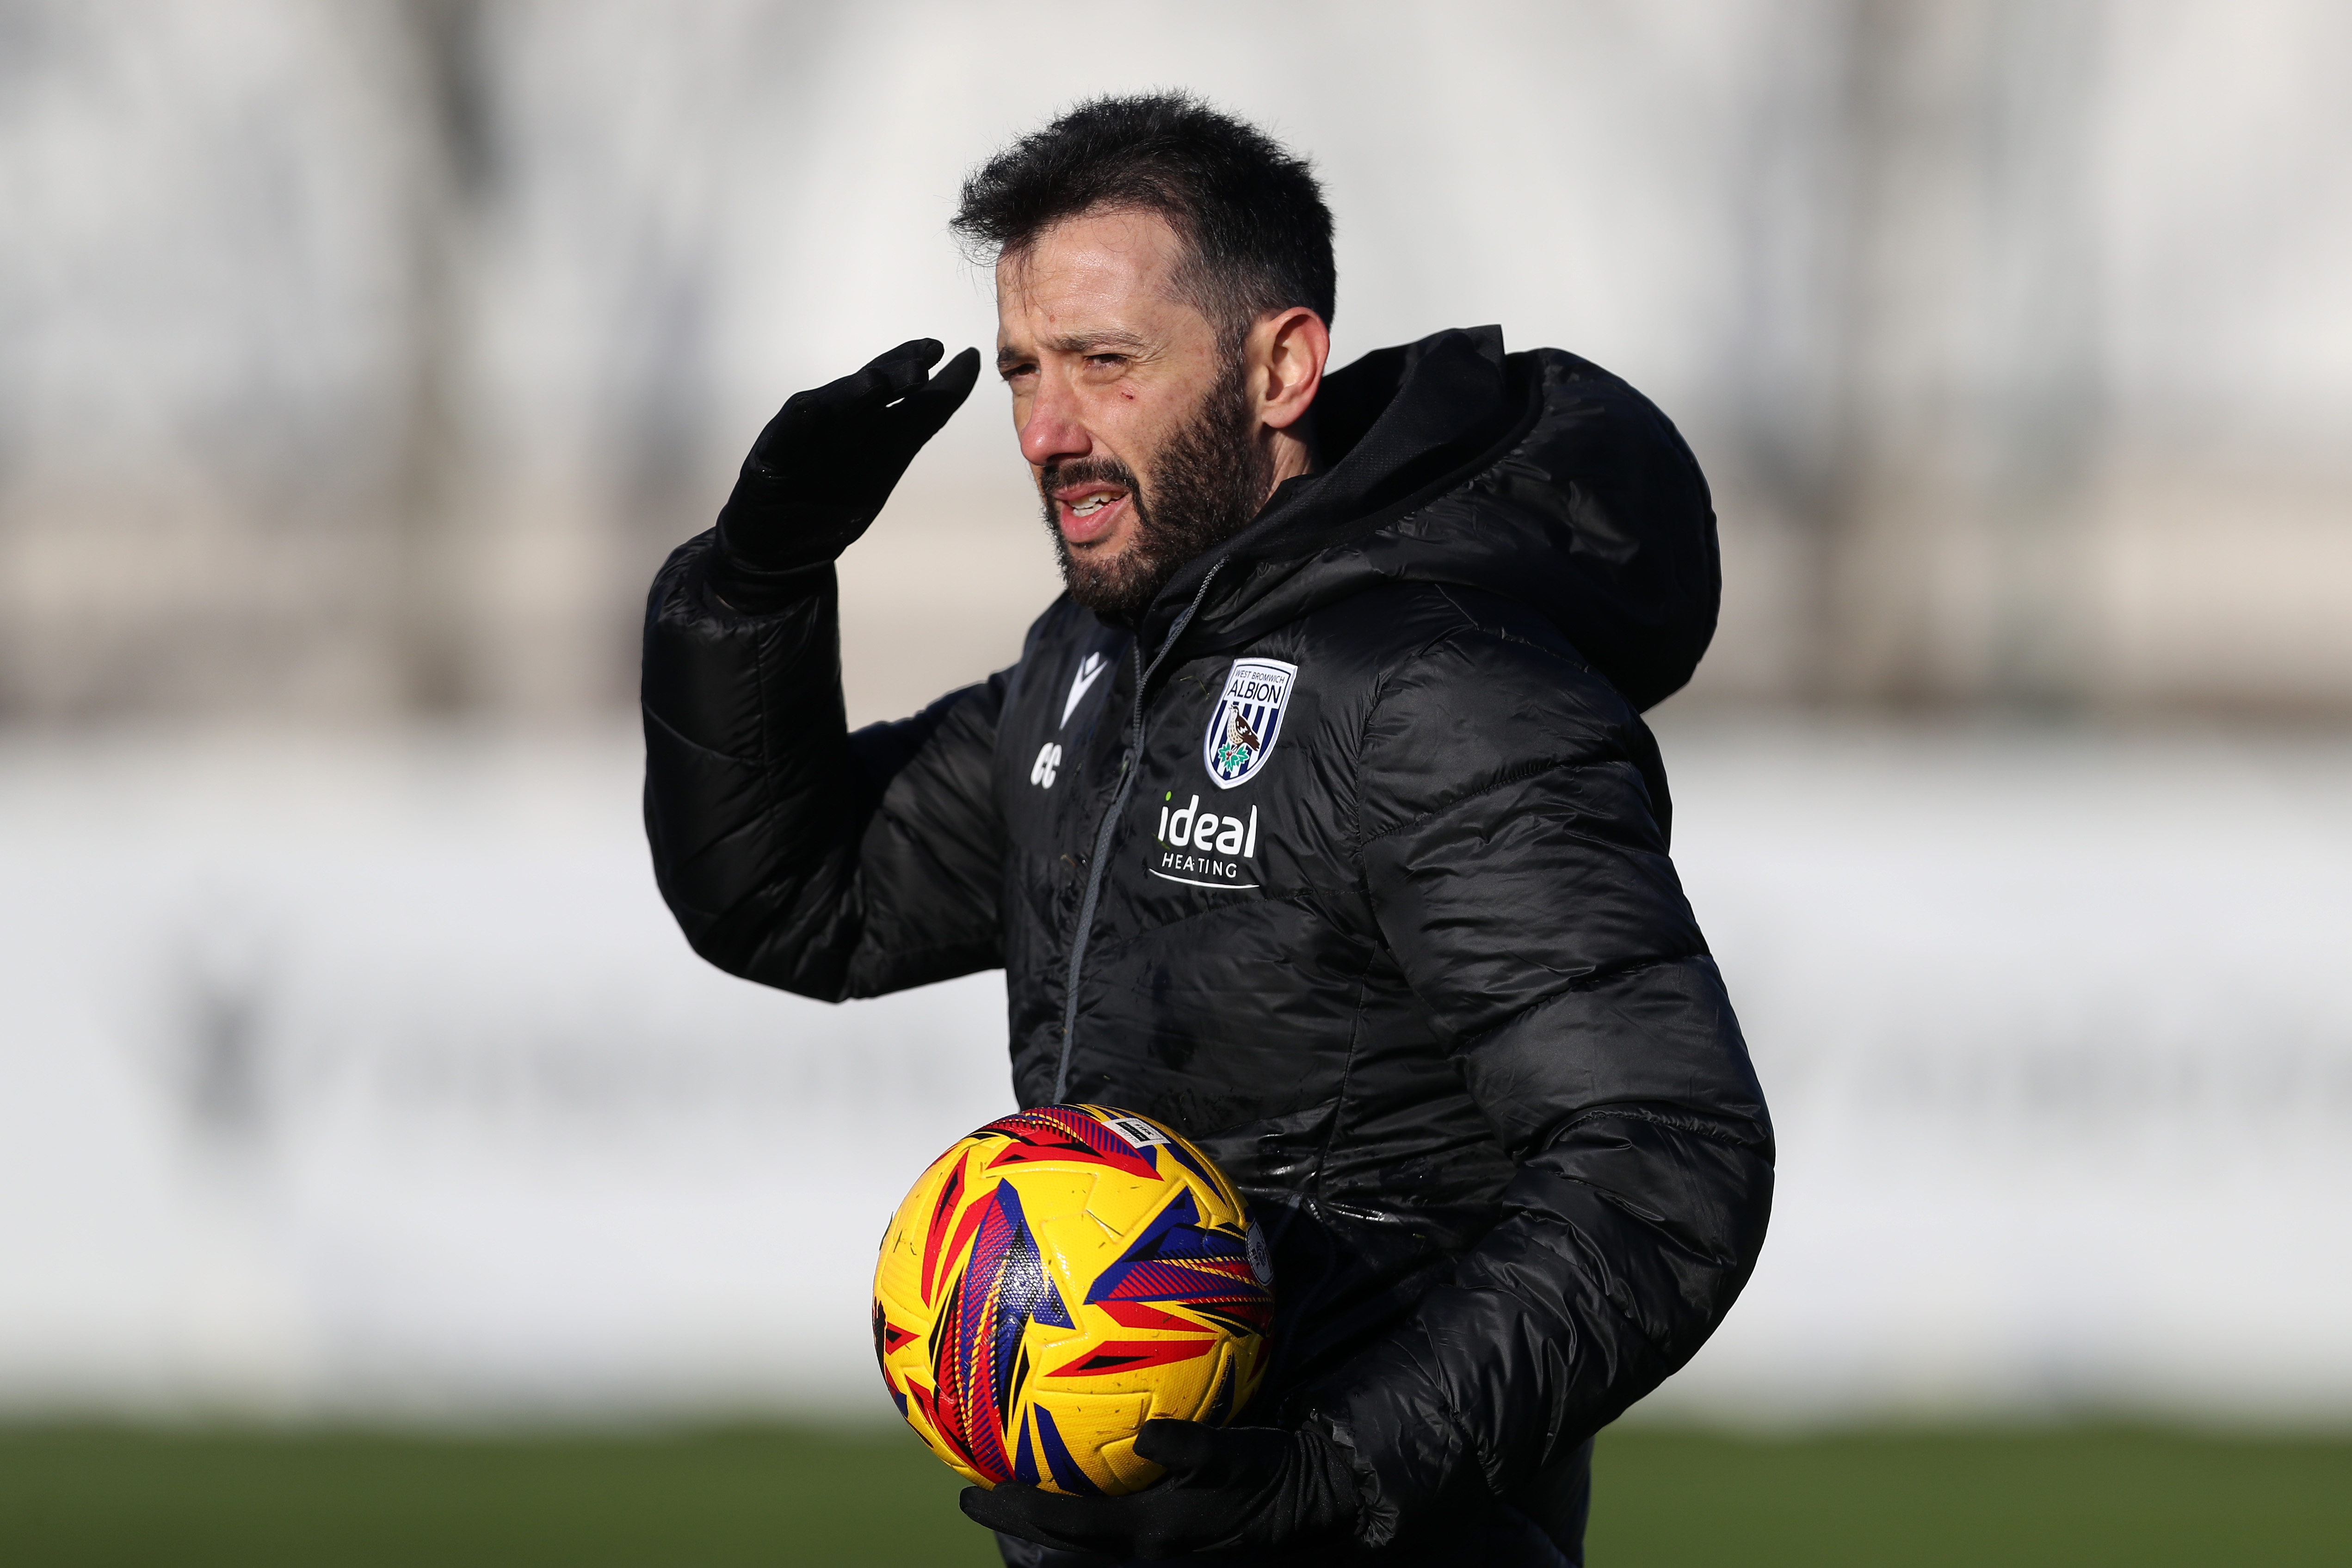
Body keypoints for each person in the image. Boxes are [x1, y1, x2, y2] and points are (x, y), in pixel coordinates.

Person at [641, 93, 1772, 1567]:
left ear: (1280, 367)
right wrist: (755, 581)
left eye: (1108, 366)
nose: (1051, 431)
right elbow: (798, 897)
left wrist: (1338, 1468)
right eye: (1023, 372)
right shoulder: (1097, 664)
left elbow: (1666, 1153)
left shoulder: (1436, 690)